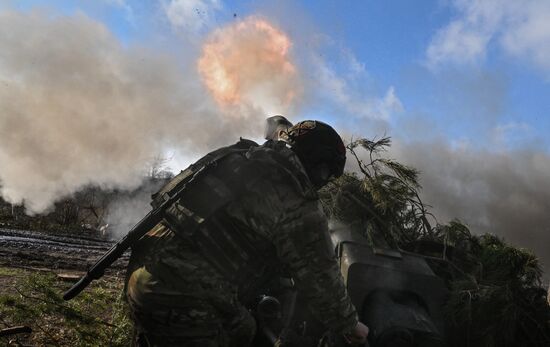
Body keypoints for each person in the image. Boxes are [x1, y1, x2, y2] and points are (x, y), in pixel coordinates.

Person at [124, 117, 369, 346]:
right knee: (251, 334)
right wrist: (351, 325)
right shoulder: (296, 199)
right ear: (317, 166)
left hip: (140, 281)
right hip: (185, 302)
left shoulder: (236, 158)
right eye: (326, 173)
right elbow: (321, 278)